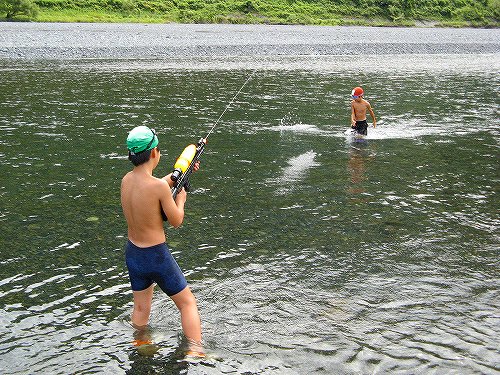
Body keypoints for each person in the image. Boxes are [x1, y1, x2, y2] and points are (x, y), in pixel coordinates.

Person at [121, 125, 204, 357]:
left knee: (140, 307)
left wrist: (180, 174)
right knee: (187, 303)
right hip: (157, 256)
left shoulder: (126, 181)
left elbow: (150, 190)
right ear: (155, 152)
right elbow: (176, 220)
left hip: (134, 255)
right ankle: (195, 352)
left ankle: (140, 346)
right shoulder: (158, 187)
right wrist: (182, 198)